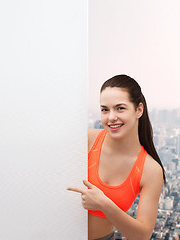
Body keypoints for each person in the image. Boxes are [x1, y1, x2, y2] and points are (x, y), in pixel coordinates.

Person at [67, 75, 165, 240]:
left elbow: (142, 235)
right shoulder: (86, 140)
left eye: (120, 108)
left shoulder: (151, 170)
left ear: (138, 110)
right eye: (105, 109)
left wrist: (103, 204)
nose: (111, 117)